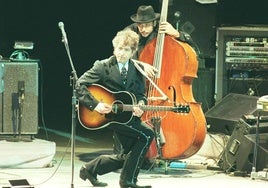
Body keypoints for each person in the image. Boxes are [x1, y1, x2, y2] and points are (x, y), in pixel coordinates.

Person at [76, 29, 154, 188]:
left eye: (126, 50)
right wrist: (96, 104)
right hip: (109, 117)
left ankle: (89, 169)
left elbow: (140, 94)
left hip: (127, 116)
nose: (121, 53)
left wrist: (140, 105)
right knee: (147, 135)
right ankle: (127, 181)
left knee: (126, 155)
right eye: (119, 48)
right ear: (114, 48)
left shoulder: (137, 69)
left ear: (133, 51)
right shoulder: (103, 66)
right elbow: (80, 84)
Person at [125, 5, 192, 59]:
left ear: (154, 23)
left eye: (147, 25)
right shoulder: (131, 30)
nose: (143, 29)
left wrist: (176, 33)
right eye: (140, 25)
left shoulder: (162, 28)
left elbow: (191, 43)